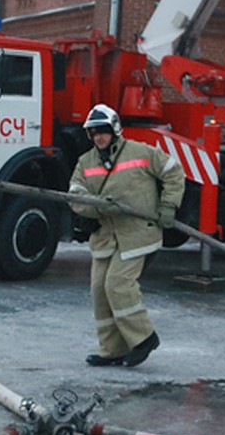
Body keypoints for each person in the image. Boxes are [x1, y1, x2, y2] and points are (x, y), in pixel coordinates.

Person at [68, 103, 185, 368]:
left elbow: (173, 171)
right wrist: (96, 206)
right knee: (99, 289)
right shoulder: (85, 162)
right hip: (106, 236)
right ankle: (113, 349)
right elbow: (74, 195)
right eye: (94, 132)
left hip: (138, 233)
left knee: (118, 284)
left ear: (115, 130)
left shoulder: (140, 152)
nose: (99, 137)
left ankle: (144, 338)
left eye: (104, 131)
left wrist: (168, 206)